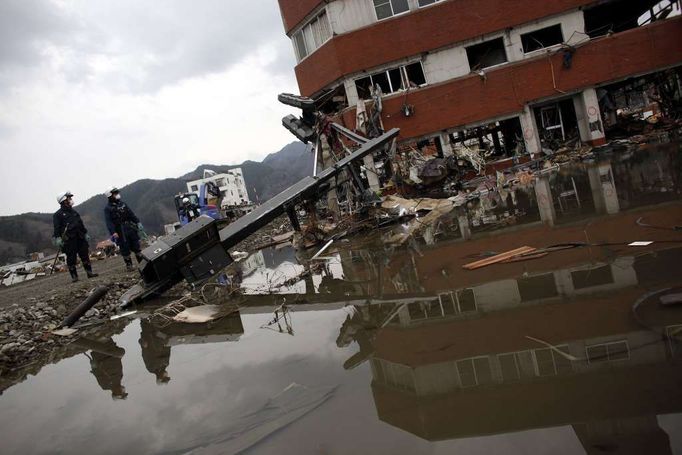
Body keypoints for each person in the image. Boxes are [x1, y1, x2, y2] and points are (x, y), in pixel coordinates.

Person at [52, 191, 98, 282]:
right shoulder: (58, 215)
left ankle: (89, 272)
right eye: (69, 198)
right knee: (71, 258)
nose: (71, 200)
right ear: (64, 201)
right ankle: (74, 276)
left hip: (80, 237)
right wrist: (57, 238)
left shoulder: (74, 212)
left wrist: (85, 233)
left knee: (85, 255)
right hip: (69, 239)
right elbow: (56, 228)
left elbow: (80, 224)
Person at [104, 187, 144, 271]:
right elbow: (109, 222)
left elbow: (131, 214)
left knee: (136, 246)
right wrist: (113, 232)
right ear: (110, 196)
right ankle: (129, 265)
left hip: (130, 227)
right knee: (124, 248)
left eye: (117, 193)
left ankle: (143, 264)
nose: (117, 195)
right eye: (115, 193)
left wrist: (138, 222)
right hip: (120, 231)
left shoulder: (123, 204)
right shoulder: (108, 208)